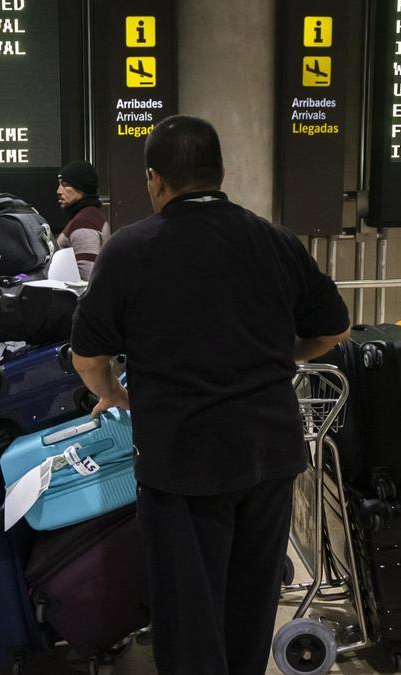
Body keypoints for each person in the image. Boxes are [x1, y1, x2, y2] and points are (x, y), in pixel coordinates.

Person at [70, 115, 350, 673]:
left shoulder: (129, 249)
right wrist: (278, 356)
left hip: (181, 460)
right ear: (221, 173)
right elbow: (334, 330)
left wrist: (120, 395)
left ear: (155, 179)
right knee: (251, 605)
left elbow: (88, 358)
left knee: (187, 616)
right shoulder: (273, 240)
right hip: (268, 453)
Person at [55, 160, 109, 281]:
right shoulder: (90, 216)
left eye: (65, 184)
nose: (58, 191)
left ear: (81, 187)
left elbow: (86, 281)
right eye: (59, 184)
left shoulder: (84, 222)